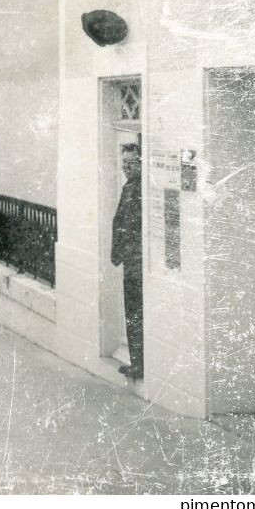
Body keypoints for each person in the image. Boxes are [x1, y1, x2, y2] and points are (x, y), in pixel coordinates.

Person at [110, 133, 145, 380]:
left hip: (136, 262)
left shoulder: (138, 189)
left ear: (140, 163)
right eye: (124, 164)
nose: (126, 168)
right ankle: (137, 361)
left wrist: (120, 252)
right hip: (131, 260)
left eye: (131, 163)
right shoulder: (130, 187)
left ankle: (139, 363)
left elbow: (129, 225)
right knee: (133, 311)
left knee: (135, 312)